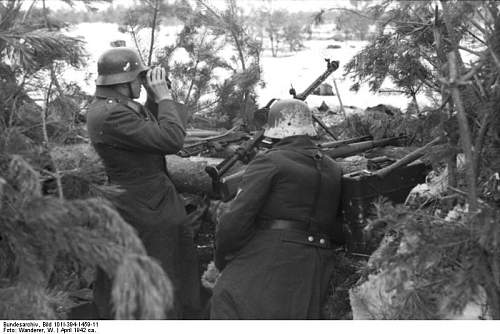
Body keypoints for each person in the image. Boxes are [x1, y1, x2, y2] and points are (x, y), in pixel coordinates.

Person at [86, 47, 201, 319]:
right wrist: (164, 97)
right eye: (138, 78)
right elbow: (171, 139)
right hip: (145, 211)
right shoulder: (112, 114)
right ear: (122, 82)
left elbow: (150, 131)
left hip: (141, 204)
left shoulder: (112, 106)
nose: (142, 82)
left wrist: (152, 96)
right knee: (160, 279)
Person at [210, 99, 343, 319]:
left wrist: (222, 260)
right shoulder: (333, 167)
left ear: (274, 129)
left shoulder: (270, 161)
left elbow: (234, 221)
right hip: (317, 265)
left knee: (227, 298)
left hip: (273, 257)